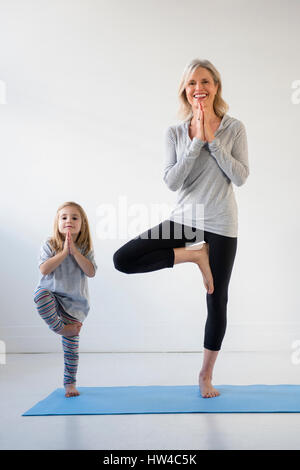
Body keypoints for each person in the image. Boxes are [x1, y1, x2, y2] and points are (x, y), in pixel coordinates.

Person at [113, 58, 249, 398]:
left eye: (205, 81)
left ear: (216, 86)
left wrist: (212, 140)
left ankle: (205, 375)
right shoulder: (174, 132)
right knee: (123, 259)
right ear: (184, 90)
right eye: (191, 83)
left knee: (217, 300)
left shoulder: (234, 128)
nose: (198, 88)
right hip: (185, 219)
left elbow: (241, 177)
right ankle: (193, 256)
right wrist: (195, 142)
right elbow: (173, 182)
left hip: (221, 221)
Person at [33, 202, 97, 397]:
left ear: (82, 224)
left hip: (74, 306)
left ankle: (70, 384)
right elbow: (44, 269)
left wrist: (75, 251)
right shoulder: (49, 244)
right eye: (64, 217)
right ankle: (60, 328)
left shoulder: (85, 248)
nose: (69, 220)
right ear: (57, 223)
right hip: (52, 296)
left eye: (74, 218)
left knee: (71, 351)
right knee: (39, 295)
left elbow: (91, 272)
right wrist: (63, 252)